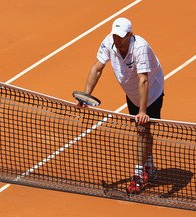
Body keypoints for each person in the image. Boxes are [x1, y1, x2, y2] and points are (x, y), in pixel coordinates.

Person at [81, 17, 164, 194]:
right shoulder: (109, 42)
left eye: (121, 36)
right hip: (132, 92)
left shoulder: (140, 47)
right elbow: (97, 68)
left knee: (142, 130)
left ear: (129, 35)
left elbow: (144, 80)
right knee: (143, 131)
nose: (117, 40)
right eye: (115, 36)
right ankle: (149, 167)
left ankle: (139, 175)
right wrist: (86, 96)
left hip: (151, 91)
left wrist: (143, 111)